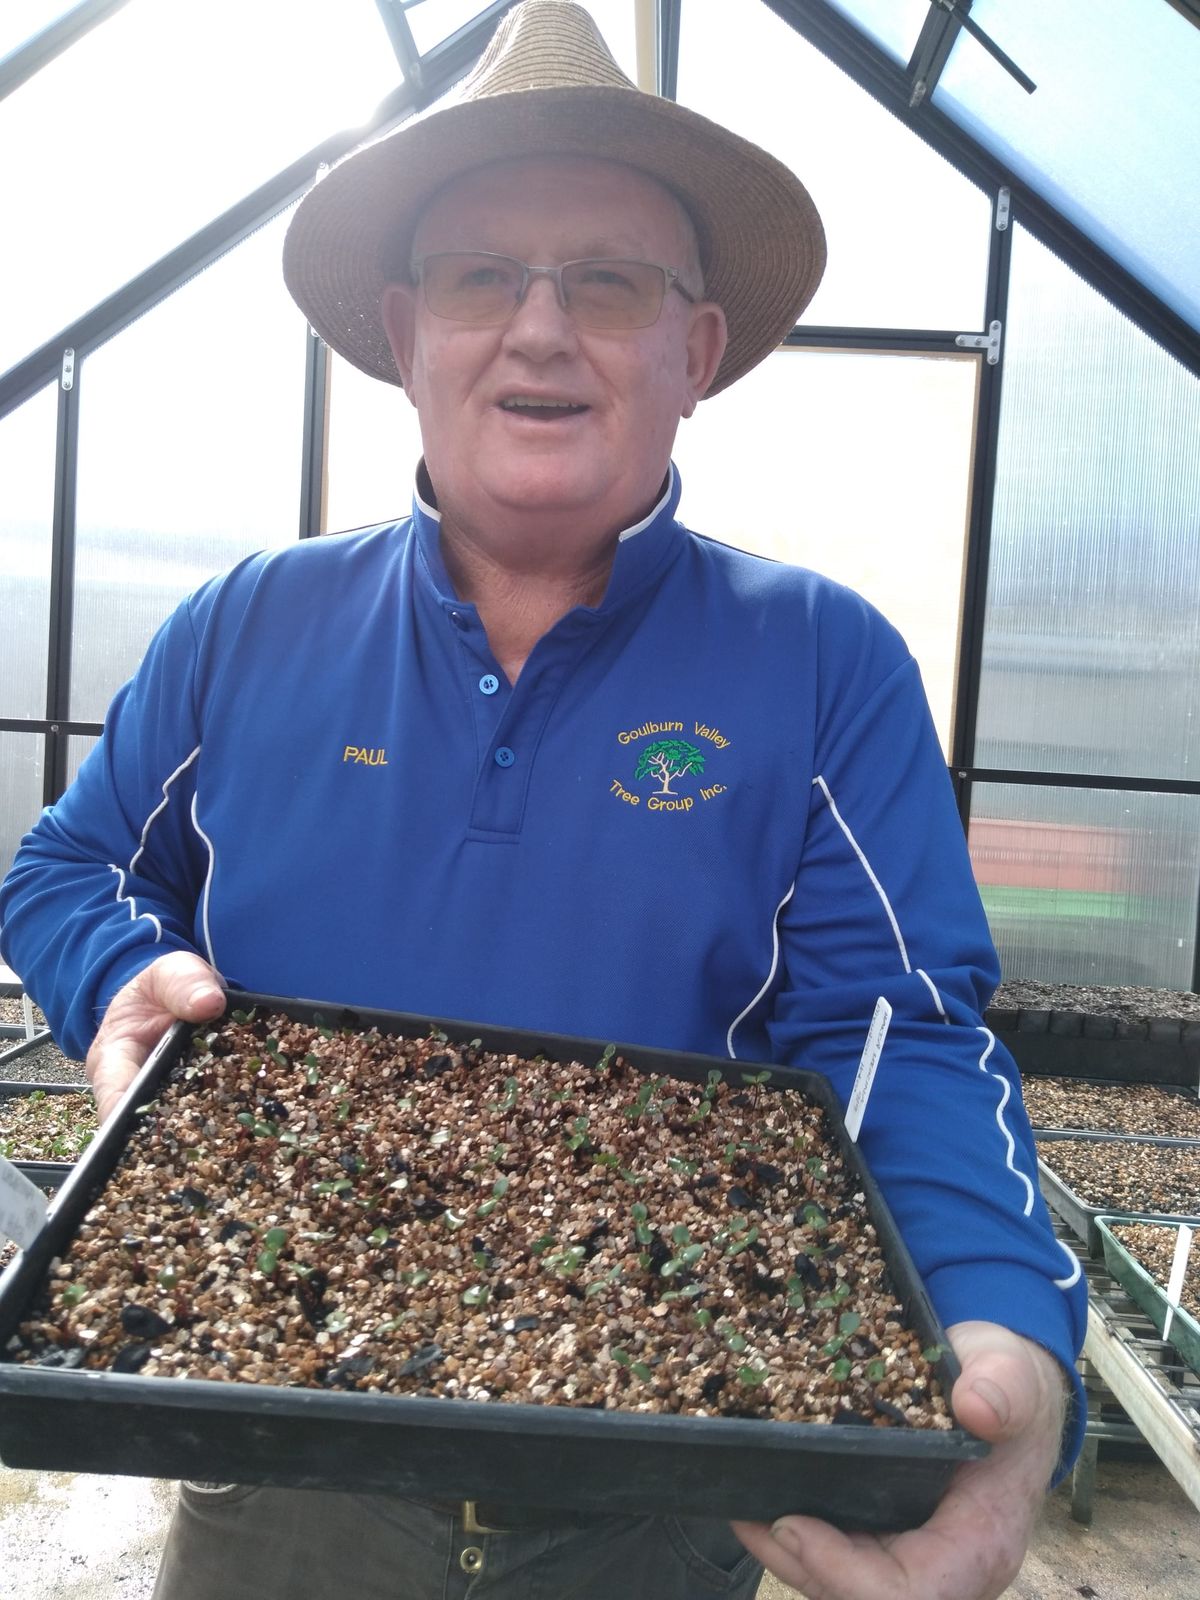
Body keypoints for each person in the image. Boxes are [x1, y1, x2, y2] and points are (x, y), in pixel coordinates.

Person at [0, 4, 1086, 1597]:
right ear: (404, 328)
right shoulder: (250, 624)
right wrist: (121, 981)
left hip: (661, 1480)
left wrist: (1004, 1328)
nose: (541, 328)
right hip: (279, 1468)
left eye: (610, 281)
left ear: (695, 350)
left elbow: (900, 1031)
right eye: (482, 278)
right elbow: (69, 868)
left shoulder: (818, 659)